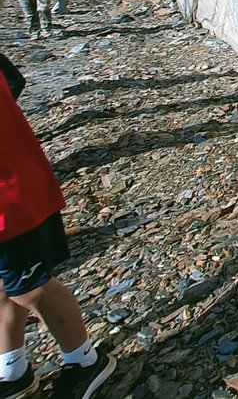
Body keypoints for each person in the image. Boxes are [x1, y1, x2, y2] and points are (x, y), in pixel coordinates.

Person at [0, 53, 116, 399]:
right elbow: (13, 80)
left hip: (13, 201)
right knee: (6, 289)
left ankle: (85, 361)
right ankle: (12, 369)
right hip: (15, 191)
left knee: (30, 288)